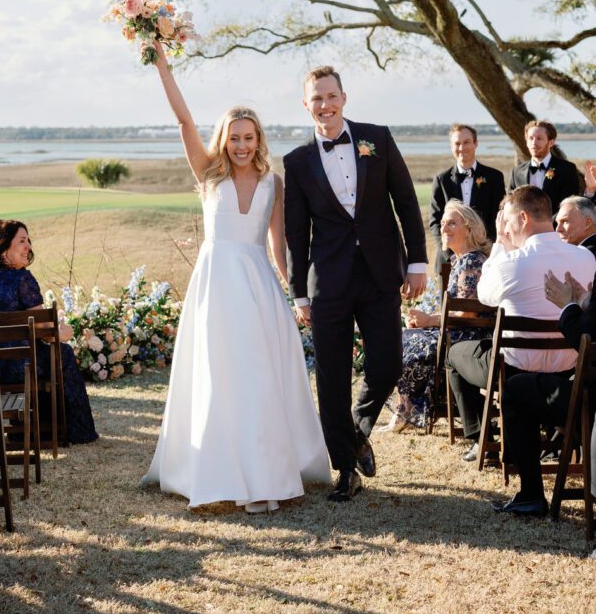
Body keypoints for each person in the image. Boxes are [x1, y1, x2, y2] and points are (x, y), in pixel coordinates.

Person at [142, 42, 330, 512]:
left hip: (258, 286)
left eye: (249, 138)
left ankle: (265, 468)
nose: (242, 145)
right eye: (235, 137)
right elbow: (185, 121)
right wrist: (160, 61)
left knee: (260, 377)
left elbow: (278, 245)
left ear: (258, 140)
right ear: (224, 139)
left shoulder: (274, 182)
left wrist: (297, 295)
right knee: (220, 373)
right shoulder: (207, 173)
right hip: (216, 286)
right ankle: (216, 469)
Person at [284, 66, 427, 502]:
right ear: (305, 104)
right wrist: (299, 292)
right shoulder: (296, 161)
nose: (324, 105)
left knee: (387, 365)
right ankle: (346, 469)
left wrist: (418, 261)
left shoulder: (377, 139)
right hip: (328, 282)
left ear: (344, 97)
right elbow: (295, 234)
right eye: (316, 99)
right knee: (331, 379)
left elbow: (405, 200)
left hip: (381, 272)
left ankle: (358, 429)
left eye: (331, 96)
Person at [447, 186, 595, 469]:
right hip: (568, 369)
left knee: (454, 354)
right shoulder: (586, 258)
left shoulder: (508, 263)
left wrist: (501, 244)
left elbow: (484, 297)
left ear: (523, 219)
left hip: (514, 368)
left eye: (509, 221)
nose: (508, 228)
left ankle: (481, 437)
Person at [0, 220, 98, 445]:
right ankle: (75, 431)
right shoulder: (21, 278)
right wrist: (62, 333)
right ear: (1, 246)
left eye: (29, 241)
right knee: (61, 352)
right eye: (22, 241)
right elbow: (44, 330)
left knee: (47, 353)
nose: (29, 247)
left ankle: (29, 427)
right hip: (18, 368)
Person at [497, 267, 596, 520]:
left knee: (517, 390)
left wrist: (567, 306)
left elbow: (587, 336)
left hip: (591, 406)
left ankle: (531, 495)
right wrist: (585, 301)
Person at [384, 201, 491, 431]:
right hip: (455, 329)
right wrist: (425, 318)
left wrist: (430, 321)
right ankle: (407, 410)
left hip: (466, 337)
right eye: (442, 223)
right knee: (402, 336)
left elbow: (468, 312)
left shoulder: (472, 261)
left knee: (406, 344)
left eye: (452, 223)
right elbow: (455, 308)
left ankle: (409, 412)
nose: (444, 229)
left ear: (470, 229)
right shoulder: (459, 260)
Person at [429, 124, 505, 275]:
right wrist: (451, 254)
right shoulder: (441, 180)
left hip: (486, 260)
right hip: (448, 262)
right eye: (457, 143)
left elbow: (498, 217)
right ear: (451, 146)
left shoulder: (494, 177)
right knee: (446, 299)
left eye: (466, 142)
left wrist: (483, 252)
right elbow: (435, 221)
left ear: (476, 144)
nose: (461, 148)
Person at [508, 121, 580, 214]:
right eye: (530, 138)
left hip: (555, 227)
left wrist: (548, 225)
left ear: (551, 142)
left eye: (539, 139)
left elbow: (569, 205)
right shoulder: (517, 172)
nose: (534, 143)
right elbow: (510, 204)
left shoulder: (567, 169)